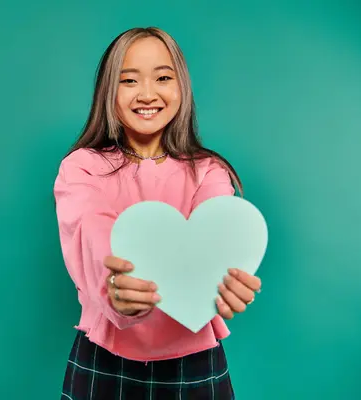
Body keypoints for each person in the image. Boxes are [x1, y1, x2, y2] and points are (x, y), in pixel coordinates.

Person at [53, 27, 262, 399]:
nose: (147, 94)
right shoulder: (82, 167)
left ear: (181, 86)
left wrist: (228, 278)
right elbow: (91, 236)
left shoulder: (209, 171)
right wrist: (114, 287)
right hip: (104, 359)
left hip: (196, 362)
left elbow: (217, 237)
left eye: (163, 78)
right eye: (129, 80)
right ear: (107, 92)